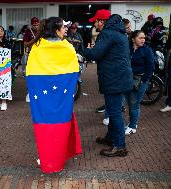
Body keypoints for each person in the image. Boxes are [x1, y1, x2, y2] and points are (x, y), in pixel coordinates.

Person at [26, 17, 82, 173]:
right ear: (56, 29)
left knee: (46, 124)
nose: (66, 29)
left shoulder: (37, 47)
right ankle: (53, 157)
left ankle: (50, 156)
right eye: (63, 27)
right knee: (59, 124)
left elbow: (30, 73)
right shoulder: (67, 47)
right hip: (61, 98)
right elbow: (74, 71)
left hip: (42, 99)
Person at [82, 10, 133, 157]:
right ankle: (111, 138)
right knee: (113, 110)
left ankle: (120, 146)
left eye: (96, 21)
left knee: (115, 113)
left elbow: (95, 54)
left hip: (114, 79)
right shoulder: (118, 31)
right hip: (119, 77)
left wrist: (85, 50)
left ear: (101, 21)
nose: (94, 24)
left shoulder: (108, 33)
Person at [125, 30, 155, 135]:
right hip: (128, 79)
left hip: (140, 80)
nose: (143, 40)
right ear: (133, 39)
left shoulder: (147, 50)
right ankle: (132, 123)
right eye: (140, 38)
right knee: (130, 102)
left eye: (144, 38)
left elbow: (151, 67)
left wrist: (143, 81)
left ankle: (133, 126)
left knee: (134, 104)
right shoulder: (128, 49)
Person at [23, 17, 40, 102]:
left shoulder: (42, 31)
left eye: (37, 25)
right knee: (31, 74)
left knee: (40, 74)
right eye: (34, 25)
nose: (36, 27)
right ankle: (29, 93)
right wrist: (34, 40)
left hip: (41, 56)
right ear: (31, 25)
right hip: (31, 55)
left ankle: (39, 92)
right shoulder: (28, 31)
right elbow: (25, 44)